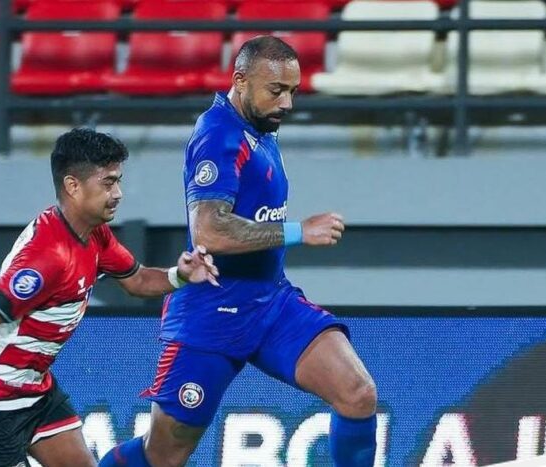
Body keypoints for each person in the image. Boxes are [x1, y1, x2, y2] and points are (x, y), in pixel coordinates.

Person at [100, 36, 377, 467]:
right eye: (276, 90)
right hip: (212, 312)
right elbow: (210, 231)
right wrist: (298, 231)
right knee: (163, 455)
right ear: (240, 80)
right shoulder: (218, 135)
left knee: (358, 393)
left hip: (271, 303)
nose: (287, 103)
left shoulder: (261, 126)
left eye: (293, 91)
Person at [0, 128, 219, 467]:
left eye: (118, 181)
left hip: (35, 390)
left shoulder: (95, 235)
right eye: (108, 183)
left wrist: (181, 275)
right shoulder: (47, 257)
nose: (117, 193)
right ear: (73, 185)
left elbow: (138, 280)